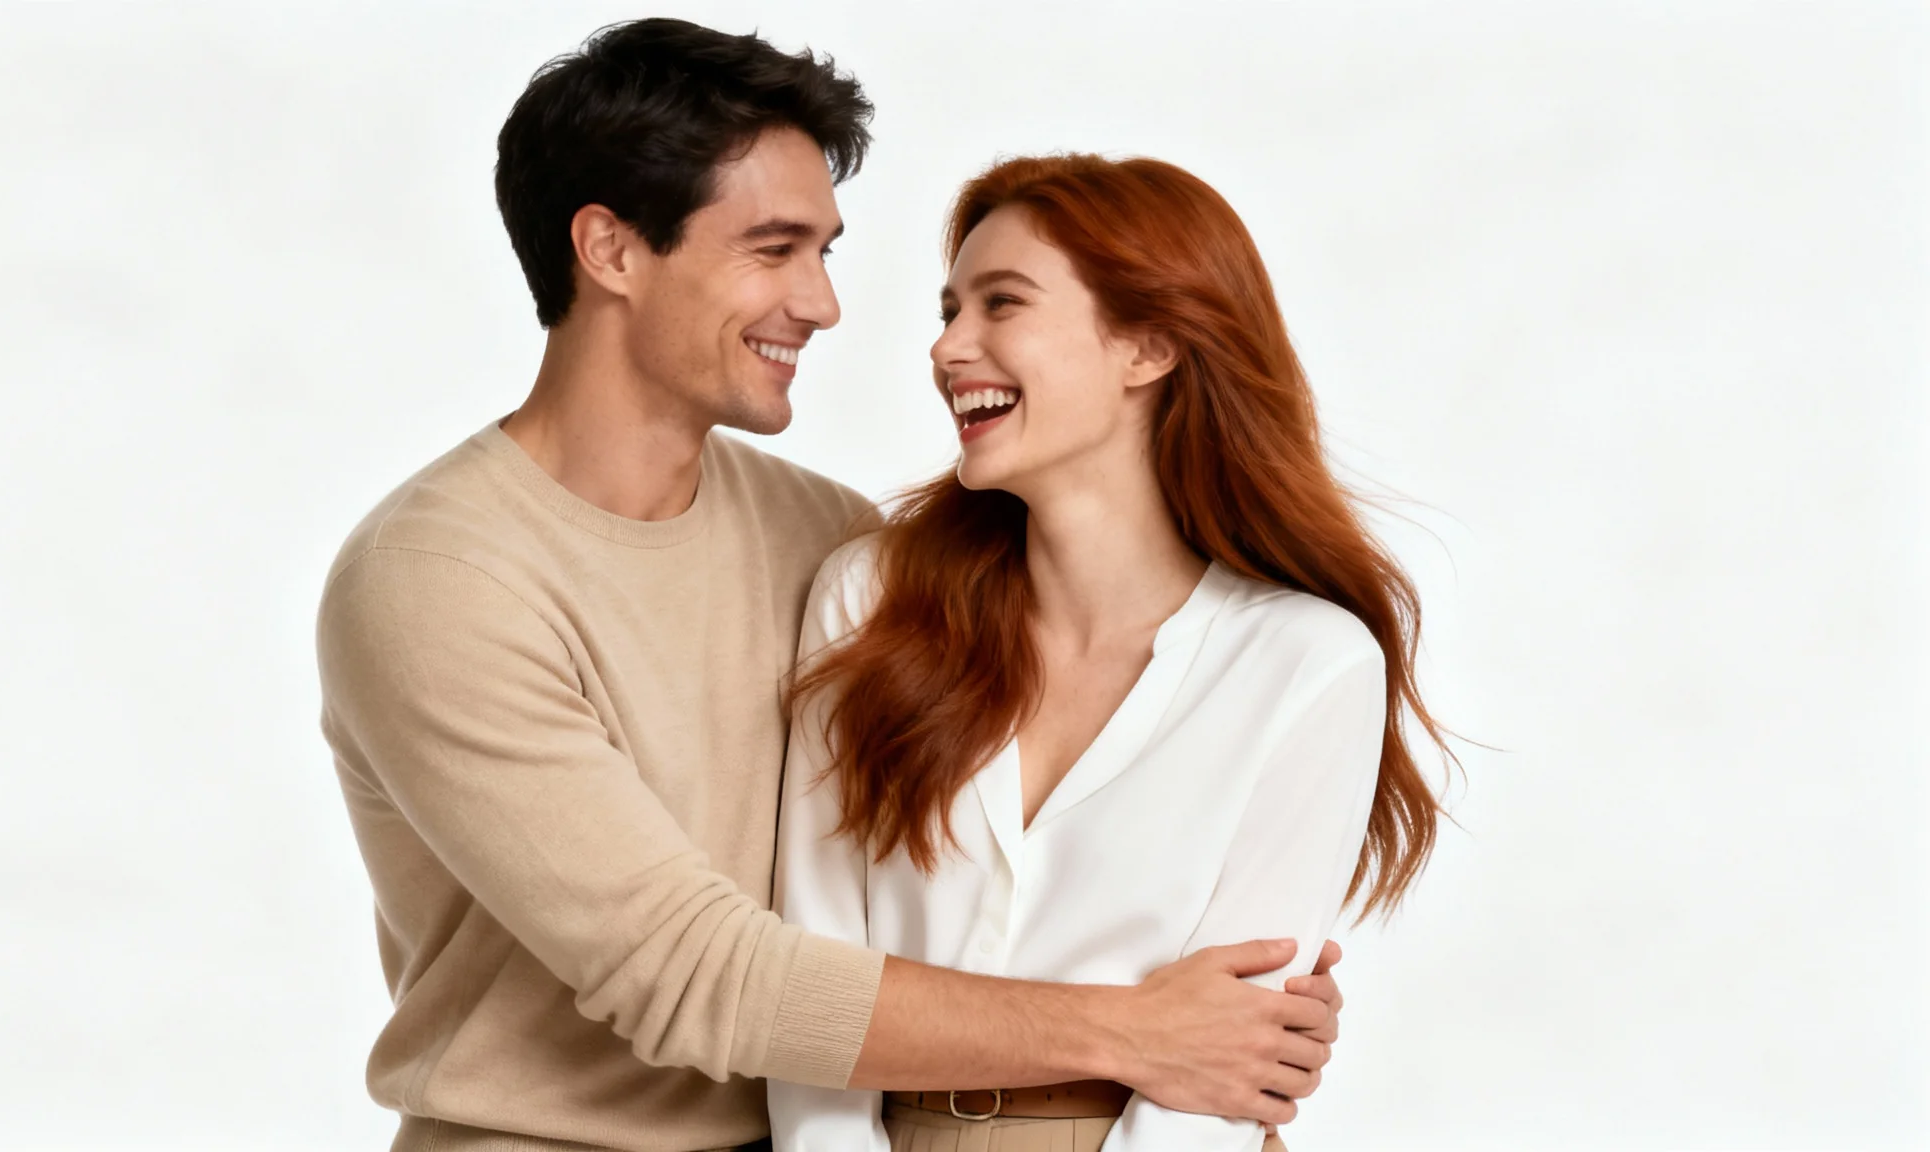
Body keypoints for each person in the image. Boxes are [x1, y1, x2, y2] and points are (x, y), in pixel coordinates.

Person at [316, 20, 1351, 1152]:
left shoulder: (833, 545)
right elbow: (691, 977)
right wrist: (1136, 1033)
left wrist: (1239, 1026)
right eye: (772, 249)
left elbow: (946, 893)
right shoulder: (436, 581)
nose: (821, 304)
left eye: (825, 252)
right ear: (609, 250)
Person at [768, 154, 1450, 1151]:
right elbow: (810, 988)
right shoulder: (869, 600)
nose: (947, 346)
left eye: (1000, 303)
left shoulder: (1305, 665)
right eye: (948, 308)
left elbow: (1223, 1074)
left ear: (1148, 344)